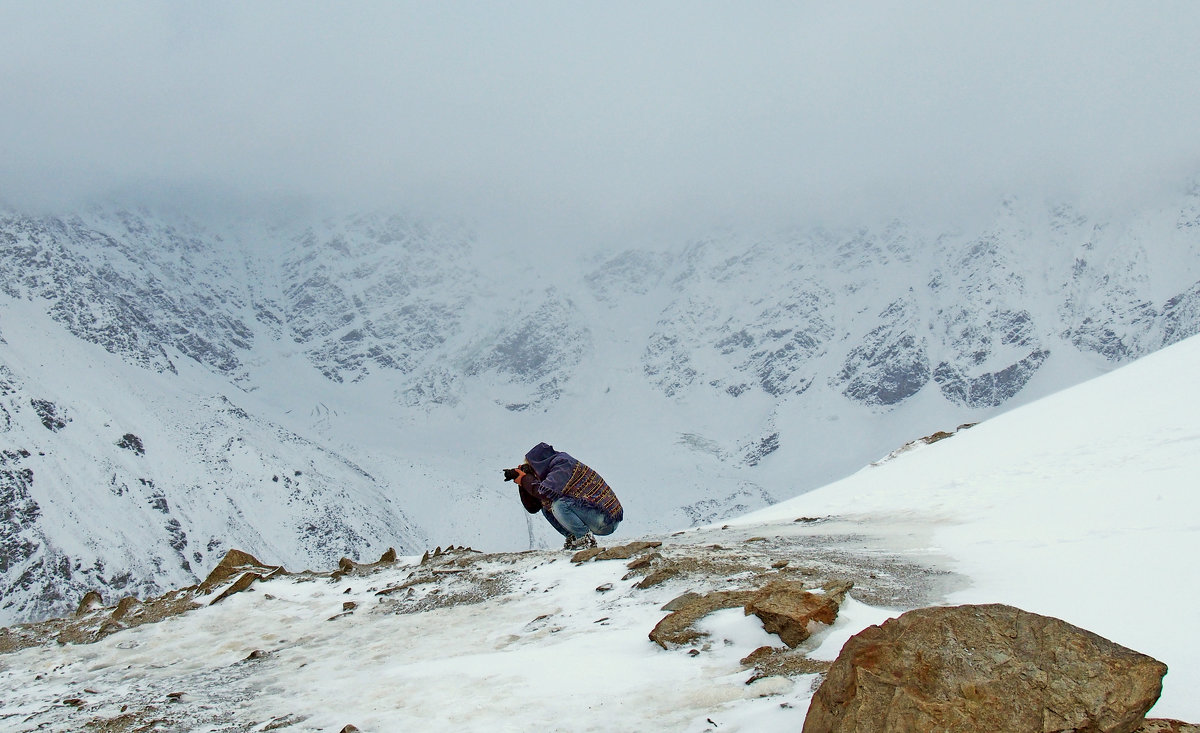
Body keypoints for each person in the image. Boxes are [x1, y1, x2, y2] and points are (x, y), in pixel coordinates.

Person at [506, 442, 623, 550]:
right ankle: (574, 538)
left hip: (606, 520)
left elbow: (543, 493)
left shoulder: (563, 464)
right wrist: (522, 482)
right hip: (595, 517)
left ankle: (584, 539)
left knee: (559, 504)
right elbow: (533, 507)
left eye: (532, 467)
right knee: (546, 506)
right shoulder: (550, 471)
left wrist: (525, 478)